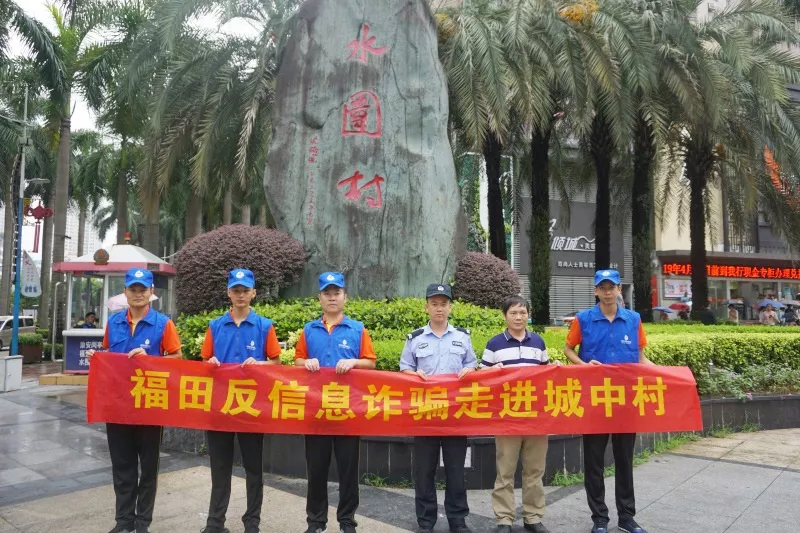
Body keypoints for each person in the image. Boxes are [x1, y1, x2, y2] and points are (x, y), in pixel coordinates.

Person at [87, 268, 182, 533]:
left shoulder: (164, 324)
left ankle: (142, 523)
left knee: (148, 468)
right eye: (133, 289)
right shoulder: (114, 322)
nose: (138, 294)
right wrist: (98, 356)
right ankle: (123, 521)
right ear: (125, 292)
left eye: (143, 289)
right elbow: (108, 351)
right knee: (122, 467)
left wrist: (152, 359)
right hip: (117, 405)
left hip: (150, 406)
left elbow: (177, 358)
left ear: (152, 292)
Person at [564, 269, 651, 533]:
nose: (607, 292)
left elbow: (641, 358)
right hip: (594, 401)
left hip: (625, 402)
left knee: (625, 460)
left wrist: (672, 376)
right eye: (602, 288)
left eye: (611, 287)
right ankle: (599, 518)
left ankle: (626, 517)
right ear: (596, 291)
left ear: (619, 290)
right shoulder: (583, 319)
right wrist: (583, 365)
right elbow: (568, 349)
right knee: (594, 462)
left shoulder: (633, 319)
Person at [200, 269, 282, 533]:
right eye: (236, 290)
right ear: (228, 293)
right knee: (219, 468)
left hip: (251, 407)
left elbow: (276, 362)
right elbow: (204, 360)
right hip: (220, 407)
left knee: (253, 469)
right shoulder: (215, 326)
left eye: (245, 290)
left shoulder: (264, 326)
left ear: (253, 293)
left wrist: (260, 364)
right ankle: (215, 523)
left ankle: (252, 523)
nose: (241, 295)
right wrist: (210, 362)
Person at [295, 272, 377, 533]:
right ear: (319, 298)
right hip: (316, 412)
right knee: (316, 470)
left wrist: (354, 362)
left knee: (348, 471)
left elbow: (371, 362)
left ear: (345, 297)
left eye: (336, 293)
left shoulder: (357, 329)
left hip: (347, 411)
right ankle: (316, 521)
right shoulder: (309, 330)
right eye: (327, 293)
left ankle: (347, 521)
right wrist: (306, 362)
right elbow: (297, 360)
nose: (332, 298)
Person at [400, 283, 478, 533]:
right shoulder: (415, 339)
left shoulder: (462, 337)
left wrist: (470, 370)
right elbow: (405, 369)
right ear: (426, 307)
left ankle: (457, 519)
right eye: (434, 304)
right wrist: (413, 374)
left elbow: (472, 365)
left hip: (455, 415)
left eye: (443, 304)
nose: (439, 308)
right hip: (426, 414)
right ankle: (426, 521)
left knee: (456, 470)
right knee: (424, 471)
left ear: (450, 307)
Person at [481, 295, 557, 533]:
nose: (518, 317)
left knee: (534, 470)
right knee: (505, 471)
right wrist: (491, 372)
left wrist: (556, 369)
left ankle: (532, 517)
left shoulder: (538, 343)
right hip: (507, 418)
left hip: (536, 418)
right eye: (513, 312)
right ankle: (504, 519)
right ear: (505, 316)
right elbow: (481, 380)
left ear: (528, 315)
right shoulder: (494, 344)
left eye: (522, 312)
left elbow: (546, 377)